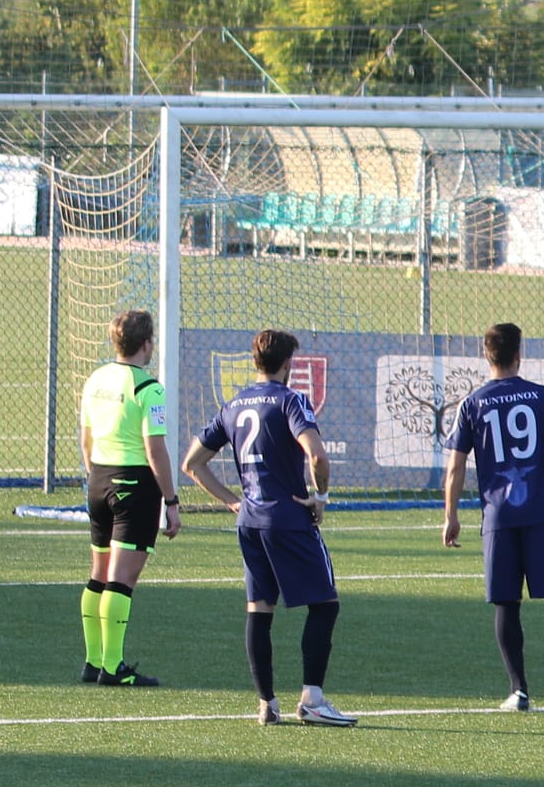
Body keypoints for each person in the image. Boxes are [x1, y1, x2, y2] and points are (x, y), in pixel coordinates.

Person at [181, 329, 355, 727]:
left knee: (259, 609)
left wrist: (230, 500)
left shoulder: (234, 404)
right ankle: (312, 698)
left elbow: (192, 464)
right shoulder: (291, 401)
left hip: (249, 521)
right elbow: (318, 456)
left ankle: (266, 704)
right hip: (289, 518)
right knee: (325, 605)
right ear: (287, 364)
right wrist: (321, 498)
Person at [441, 323, 544, 713]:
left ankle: (518, 690)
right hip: (541, 512)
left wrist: (450, 515)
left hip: (498, 516)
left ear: (486, 356)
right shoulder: (542, 396)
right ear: (520, 354)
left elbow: (455, 467)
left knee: (506, 603)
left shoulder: (473, 403)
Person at [76, 308, 180, 686]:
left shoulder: (96, 379)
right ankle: (113, 667)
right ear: (147, 343)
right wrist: (171, 501)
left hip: (99, 481)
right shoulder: (148, 388)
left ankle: (93, 661)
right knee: (121, 582)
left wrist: (96, 476)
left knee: (98, 576)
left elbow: (85, 440)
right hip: (133, 487)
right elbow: (156, 451)